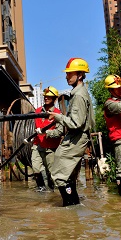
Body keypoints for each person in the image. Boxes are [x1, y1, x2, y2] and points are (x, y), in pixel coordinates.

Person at [45, 58, 95, 206]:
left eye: (70, 73)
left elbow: (75, 123)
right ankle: (74, 209)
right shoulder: (80, 92)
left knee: (59, 175)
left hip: (76, 136)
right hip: (77, 136)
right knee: (68, 175)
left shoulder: (78, 95)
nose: (66, 76)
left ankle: (70, 209)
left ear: (79, 75)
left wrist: (58, 117)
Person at [31, 86, 63, 192]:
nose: (46, 98)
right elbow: (36, 126)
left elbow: (59, 132)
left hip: (51, 148)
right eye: (45, 96)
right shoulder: (38, 111)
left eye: (49, 96)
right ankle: (41, 189)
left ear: (54, 98)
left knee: (51, 172)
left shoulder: (58, 114)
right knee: (35, 168)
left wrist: (46, 132)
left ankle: (53, 191)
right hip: (38, 144)